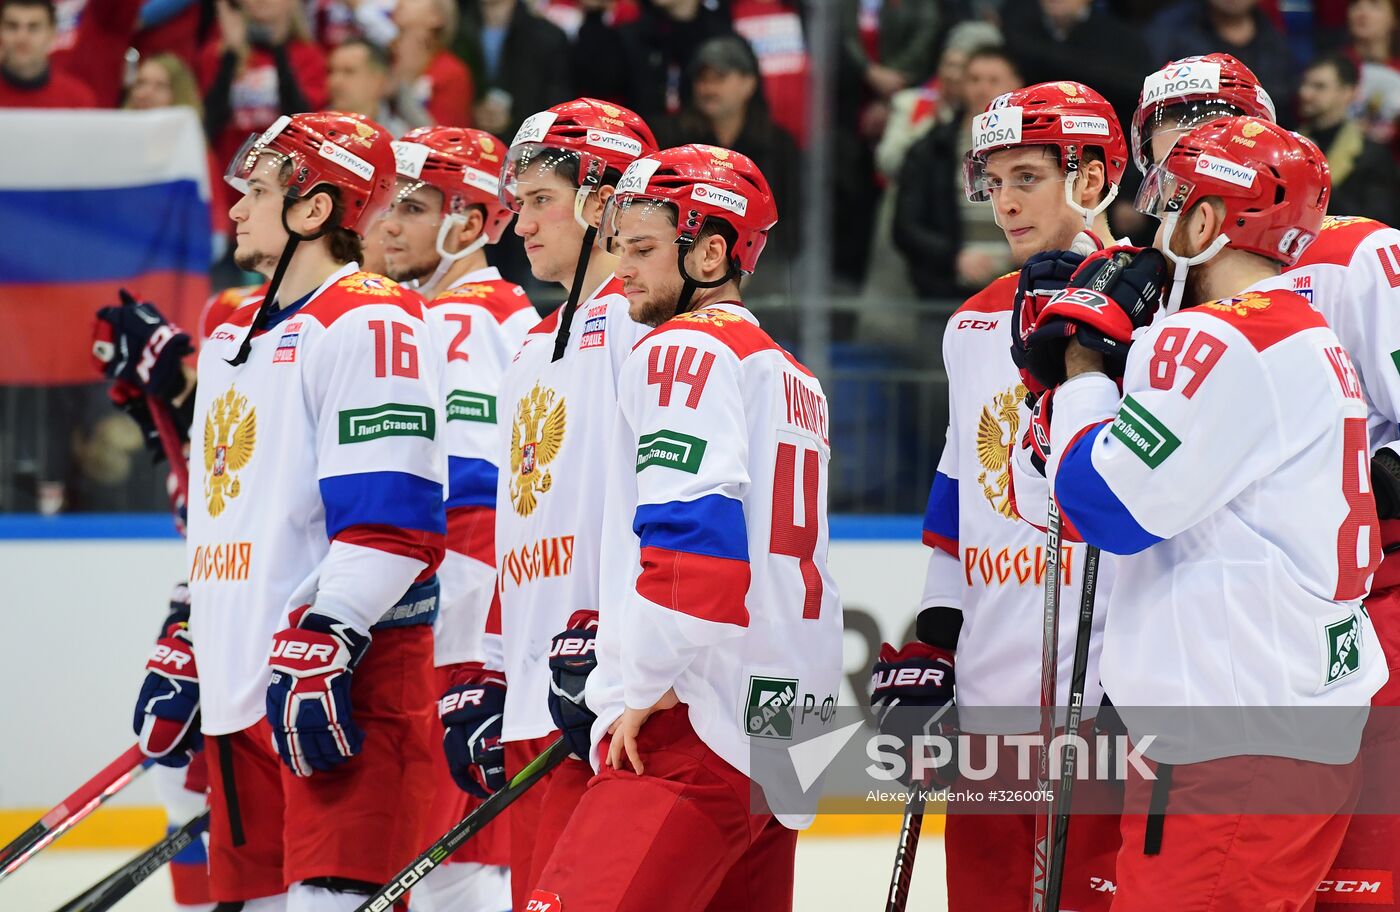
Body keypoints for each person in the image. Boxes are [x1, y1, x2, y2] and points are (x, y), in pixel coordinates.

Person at [1020, 114, 1386, 910]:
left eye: (1169, 204)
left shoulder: (1220, 341)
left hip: (1229, 751)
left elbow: (1104, 510)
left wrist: (1081, 369)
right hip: (1289, 729)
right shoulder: (1307, 337)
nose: (1153, 226)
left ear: (1209, 221)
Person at [129, 111, 448, 911]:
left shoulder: (370, 318)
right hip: (244, 687)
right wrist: (190, 630)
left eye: (259, 192)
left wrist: (330, 629)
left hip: (340, 684)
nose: (233, 210)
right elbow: (225, 517)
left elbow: (393, 519)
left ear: (313, 209)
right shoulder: (238, 335)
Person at [528, 141, 842, 912]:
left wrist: (632, 681)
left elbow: (697, 563)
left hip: (693, 727)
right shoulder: (791, 374)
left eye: (642, 248)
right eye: (616, 246)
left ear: (709, 252)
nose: (621, 268)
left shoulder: (683, 347)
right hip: (786, 736)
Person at [1130, 51, 1400, 912]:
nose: (1188, 137)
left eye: (1214, 114)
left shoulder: (1360, 252)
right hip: (1224, 642)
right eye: (1170, 123)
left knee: (1354, 889)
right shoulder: (1163, 287)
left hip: (1356, 614)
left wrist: (1359, 478)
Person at [875, 80, 1128, 912]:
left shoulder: (1156, 312)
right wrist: (936, 642)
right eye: (994, 180)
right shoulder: (973, 323)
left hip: (1107, 710)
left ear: (1091, 178)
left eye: (1028, 176)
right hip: (990, 702)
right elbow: (957, 490)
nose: (1004, 202)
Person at [487, 97, 656, 911]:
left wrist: (617, 644)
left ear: (604, 200)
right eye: (518, 203)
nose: (521, 225)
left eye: (540, 200)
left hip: (609, 706)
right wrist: (493, 669)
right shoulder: (528, 340)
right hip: (537, 697)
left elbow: (669, 508)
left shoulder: (641, 324)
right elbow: (518, 521)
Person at [376, 124, 537, 909]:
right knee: (467, 855)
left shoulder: (454, 320)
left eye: (410, 206)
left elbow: (473, 494)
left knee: (444, 856)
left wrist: (470, 658)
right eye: (385, 204)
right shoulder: (510, 313)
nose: (386, 223)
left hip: (452, 626)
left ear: (469, 222)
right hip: (489, 624)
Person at [893, 45, 1023, 299]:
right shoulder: (930, 148)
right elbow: (906, 226)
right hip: (947, 293)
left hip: (1021, 290)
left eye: (993, 80)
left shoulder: (1037, 150)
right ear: (962, 85)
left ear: (1016, 85)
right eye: (974, 79)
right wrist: (954, 257)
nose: (983, 89)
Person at [199, 0, 328, 173]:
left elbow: (300, 120)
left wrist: (279, 51)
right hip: (229, 173)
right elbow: (208, 125)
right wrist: (230, 57)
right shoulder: (216, 54)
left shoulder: (309, 56)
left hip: (284, 174)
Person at [1299, 53, 1398, 224]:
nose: (1305, 93)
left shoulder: (1372, 155)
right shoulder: (1290, 142)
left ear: (1348, 92)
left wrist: (1317, 179)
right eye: (1305, 84)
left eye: (1319, 86)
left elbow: (1379, 224)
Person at [391, 0, 473, 129]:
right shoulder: (384, 57)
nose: (401, 2)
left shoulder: (452, 72)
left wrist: (403, 85)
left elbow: (444, 136)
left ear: (437, 17)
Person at [0, 0, 96, 108]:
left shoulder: (78, 99)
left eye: (33, 27)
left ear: (52, 35)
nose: (22, 37)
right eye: (12, 26)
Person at [325, 37, 406, 136]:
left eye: (348, 71)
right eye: (331, 71)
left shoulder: (399, 140)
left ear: (379, 81)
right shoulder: (313, 131)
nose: (335, 81)